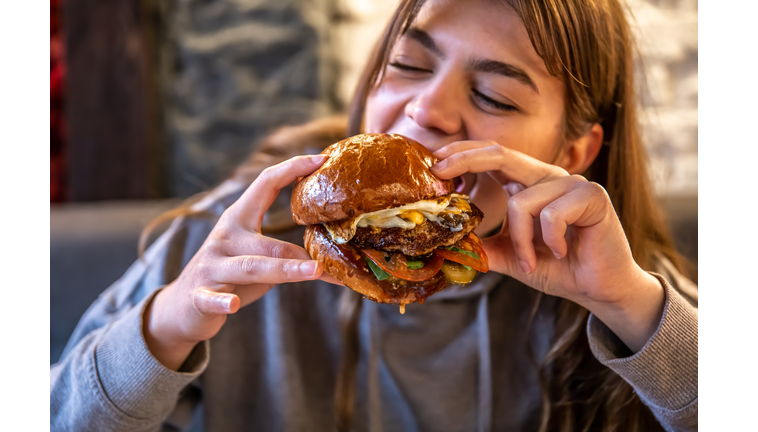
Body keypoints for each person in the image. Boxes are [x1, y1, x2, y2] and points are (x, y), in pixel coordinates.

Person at [50, 0, 698, 431]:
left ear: (573, 151)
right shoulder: (231, 247)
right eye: (408, 65)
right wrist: (168, 327)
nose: (425, 109)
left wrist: (631, 308)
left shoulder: (625, 287)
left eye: (493, 94)